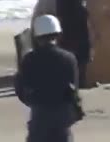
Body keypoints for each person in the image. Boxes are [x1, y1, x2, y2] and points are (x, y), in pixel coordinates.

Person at [14, 14, 85, 142]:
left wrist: (32, 100)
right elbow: (73, 90)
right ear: (57, 34)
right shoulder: (69, 58)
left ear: (37, 36)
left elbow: (21, 90)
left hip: (39, 117)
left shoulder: (29, 59)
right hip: (62, 118)